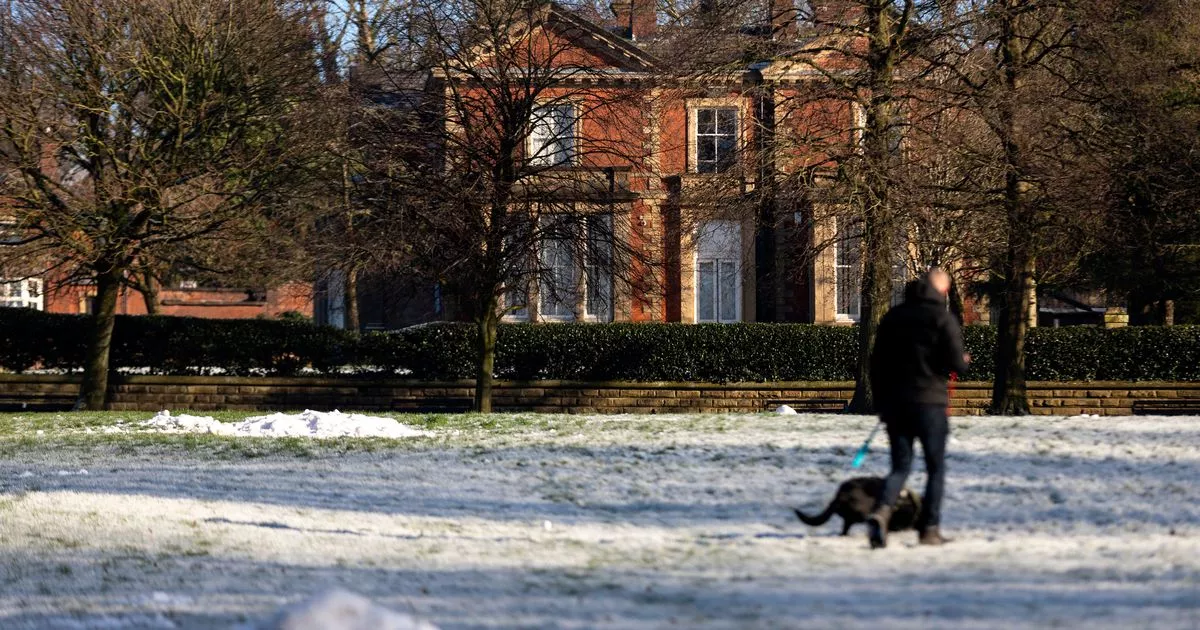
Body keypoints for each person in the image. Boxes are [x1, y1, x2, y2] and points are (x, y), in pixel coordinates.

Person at [866, 267, 969, 549]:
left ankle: (881, 511)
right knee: (935, 468)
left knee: (900, 466)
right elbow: (956, 364)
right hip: (930, 404)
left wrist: (881, 403)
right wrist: (963, 359)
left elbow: (876, 365)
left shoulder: (892, 317)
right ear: (943, 291)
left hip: (897, 404)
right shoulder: (942, 319)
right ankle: (929, 528)